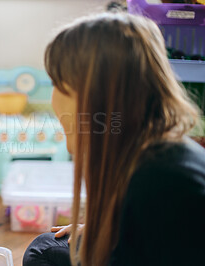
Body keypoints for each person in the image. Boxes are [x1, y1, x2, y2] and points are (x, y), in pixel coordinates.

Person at [23, 12, 205, 266]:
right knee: (46, 247)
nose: (52, 98)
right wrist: (109, 228)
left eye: (58, 82)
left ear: (98, 94)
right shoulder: (146, 154)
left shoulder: (163, 181)